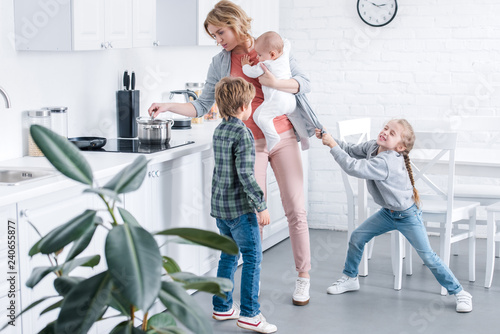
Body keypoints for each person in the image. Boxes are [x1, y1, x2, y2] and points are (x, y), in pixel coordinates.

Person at [148, 0, 314, 306]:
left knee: (296, 209)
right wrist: (168, 105)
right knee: (254, 214)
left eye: (220, 31)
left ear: (236, 23)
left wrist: (275, 82)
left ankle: (303, 277)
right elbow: (201, 105)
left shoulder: (271, 45)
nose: (218, 39)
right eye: (213, 35)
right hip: (250, 142)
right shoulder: (220, 62)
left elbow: (303, 84)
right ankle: (256, 273)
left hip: (284, 136)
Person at [315, 119, 473, 313]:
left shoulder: (387, 161)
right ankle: (350, 278)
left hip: (407, 216)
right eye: (385, 128)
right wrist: (330, 138)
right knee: (357, 237)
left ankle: (460, 292)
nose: (385, 132)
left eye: (392, 133)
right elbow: (349, 149)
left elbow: (355, 168)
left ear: (400, 147)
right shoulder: (373, 146)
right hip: (388, 213)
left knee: (429, 257)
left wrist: (332, 145)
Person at [210, 77, 277, 333]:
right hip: (240, 210)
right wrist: (261, 206)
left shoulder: (220, 129)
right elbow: (246, 175)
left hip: (221, 209)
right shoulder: (243, 133)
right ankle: (250, 314)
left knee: (228, 255)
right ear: (242, 107)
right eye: (249, 103)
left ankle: (223, 306)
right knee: (252, 257)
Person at [241, 31, 296, 151]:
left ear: (272, 54)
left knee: (259, 117)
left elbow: (251, 72)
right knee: (296, 118)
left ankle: (273, 137)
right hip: (291, 101)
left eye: (259, 54)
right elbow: (287, 42)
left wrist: (245, 65)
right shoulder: (285, 53)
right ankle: (304, 136)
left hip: (277, 101)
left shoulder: (266, 64)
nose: (257, 57)